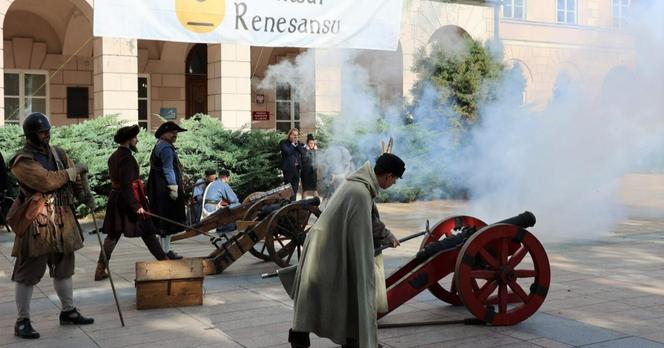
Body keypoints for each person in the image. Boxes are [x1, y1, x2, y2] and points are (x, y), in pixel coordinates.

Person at [288, 153, 405, 348]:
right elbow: (360, 238)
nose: (393, 184)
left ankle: (348, 338)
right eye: (395, 180)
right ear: (388, 176)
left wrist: (387, 235)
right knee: (338, 292)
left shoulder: (360, 186)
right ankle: (351, 339)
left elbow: (370, 220)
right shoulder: (360, 192)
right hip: (326, 248)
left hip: (325, 243)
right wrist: (366, 264)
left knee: (322, 295)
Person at [6, 112, 94, 339]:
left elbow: (74, 178)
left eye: (47, 131)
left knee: (65, 268)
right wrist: (71, 172)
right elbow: (45, 181)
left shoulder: (59, 154)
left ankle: (68, 311)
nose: (46, 134)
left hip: (63, 218)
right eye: (42, 132)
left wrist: (84, 195)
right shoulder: (22, 161)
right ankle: (22, 320)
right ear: (31, 134)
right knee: (28, 272)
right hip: (37, 221)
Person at [95, 125, 168, 281]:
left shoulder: (114, 156)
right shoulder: (127, 158)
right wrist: (137, 206)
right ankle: (166, 263)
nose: (137, 140)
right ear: (129, 140)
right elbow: (127, 185)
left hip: (117, 199)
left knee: (113, 235)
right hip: (127, 200)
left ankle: (100, 269)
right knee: (148, 232)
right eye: (135, 138)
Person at [147, 121, 187, 260]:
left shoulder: (160, 145)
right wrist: (173, 189)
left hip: (158, 189)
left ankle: (166, 250)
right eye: (172, 133)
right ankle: (165, 251)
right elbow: (168, 169)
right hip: (165, 190)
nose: (175, 135)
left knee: (165, 223)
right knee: (167, 221)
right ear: (164, 133)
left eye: (176, 133)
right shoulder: (166, 148)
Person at [201, 168, 240, 235]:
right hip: (213, 209)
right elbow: (234, 200)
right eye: (228, 178)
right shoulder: (223, 184)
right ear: (226, 177)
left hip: (206, 208)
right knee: (238, 205)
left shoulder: (212, 183)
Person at [280, 128, 306, 200]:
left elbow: (303, 153)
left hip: (297, 169)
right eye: (294, 135)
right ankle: (286, 205)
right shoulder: (284, 143)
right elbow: (287, 152)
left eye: (297, 135)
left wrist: (297, 145)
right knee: (288, 189)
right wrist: (292, 144)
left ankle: (293, 205)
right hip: (288, 170)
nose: (296, 137)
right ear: (290, 135)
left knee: (295, 189)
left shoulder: (298, 144)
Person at [300, 134, 317, 199]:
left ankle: (317, 205)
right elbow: (304, 160)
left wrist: (315, 151)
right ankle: (303, 205)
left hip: (313, 173)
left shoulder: (314, 150)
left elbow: (316, 160)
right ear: (307, 143)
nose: (312, 145)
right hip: (305, 173)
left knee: (315, 189)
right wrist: (308, 150)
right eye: (310, 143)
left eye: (313, 143)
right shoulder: (304, 150)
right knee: (305, 189)